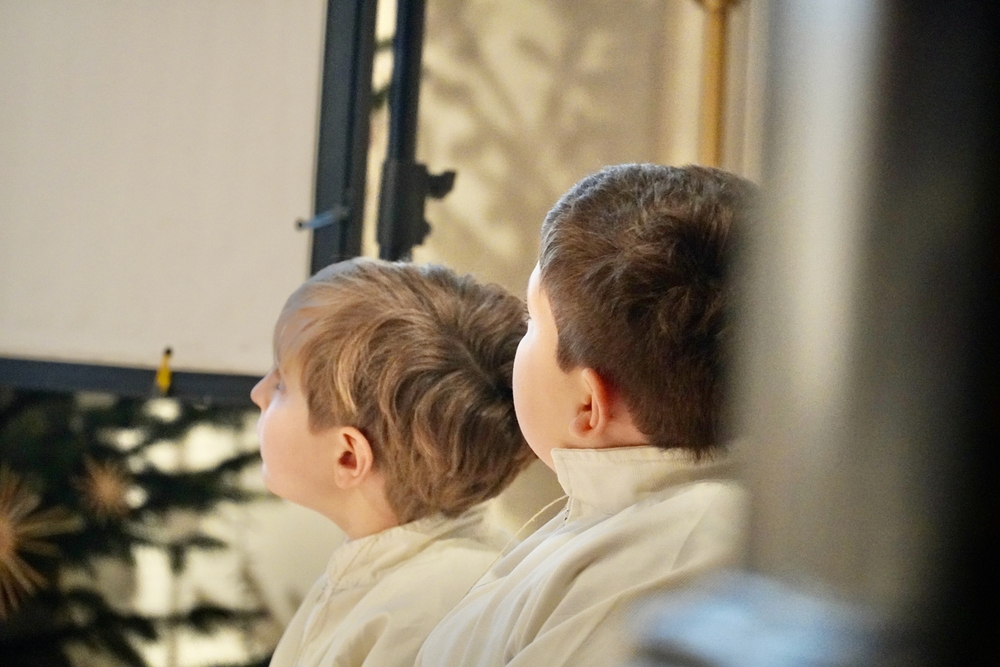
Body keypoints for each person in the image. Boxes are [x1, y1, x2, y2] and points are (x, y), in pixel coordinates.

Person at [415, 163, 756, 666]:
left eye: (531, 320)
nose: (516, 340)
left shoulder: (663, 561)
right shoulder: (648, 523)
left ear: (589, 405)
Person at [251, 258, 534, 667]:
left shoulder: (422, 614)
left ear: (348, 457)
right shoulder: (395, 573)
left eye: (280, 385)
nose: (258, 393)